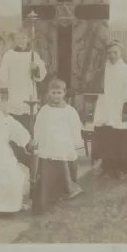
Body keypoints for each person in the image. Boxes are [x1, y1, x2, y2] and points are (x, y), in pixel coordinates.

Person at [0, 27, 46, 167]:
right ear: (13, 40)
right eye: (17, 38)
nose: (21, 41)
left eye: (23, 38)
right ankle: (17, 158)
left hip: (29, 93)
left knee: (29, 127)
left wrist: (36, 69)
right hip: (14, 93)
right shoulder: (9, 55)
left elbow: (41, 75)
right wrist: (2, 87)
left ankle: (30, 161)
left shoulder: (33, 55)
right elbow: (2, 75)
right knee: (14, 126)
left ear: (28, 39)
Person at [32, 78, 84, 214]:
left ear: (64, 93)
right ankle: (47, 198)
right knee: (47, 172)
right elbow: (38, 126)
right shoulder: (44, 110)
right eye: (53, 93)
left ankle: (66, 194)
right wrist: (36, 140)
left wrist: (76, 143)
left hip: (63, 144)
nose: (56, 96)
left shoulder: (70, 111)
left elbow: (75, 128)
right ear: (49, 93)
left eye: (59, 93)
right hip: (48, 144)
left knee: (64, 169)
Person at [93, 41, 127, 179]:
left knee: (122, 139)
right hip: (106, 109)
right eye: (110, 53)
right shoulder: (102, 70)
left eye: (115, 52)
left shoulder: (126, 71)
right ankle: (107, 167)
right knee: (106, 137)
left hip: (121, 109)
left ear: (120, 53)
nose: (112, 55)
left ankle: (122, 169)